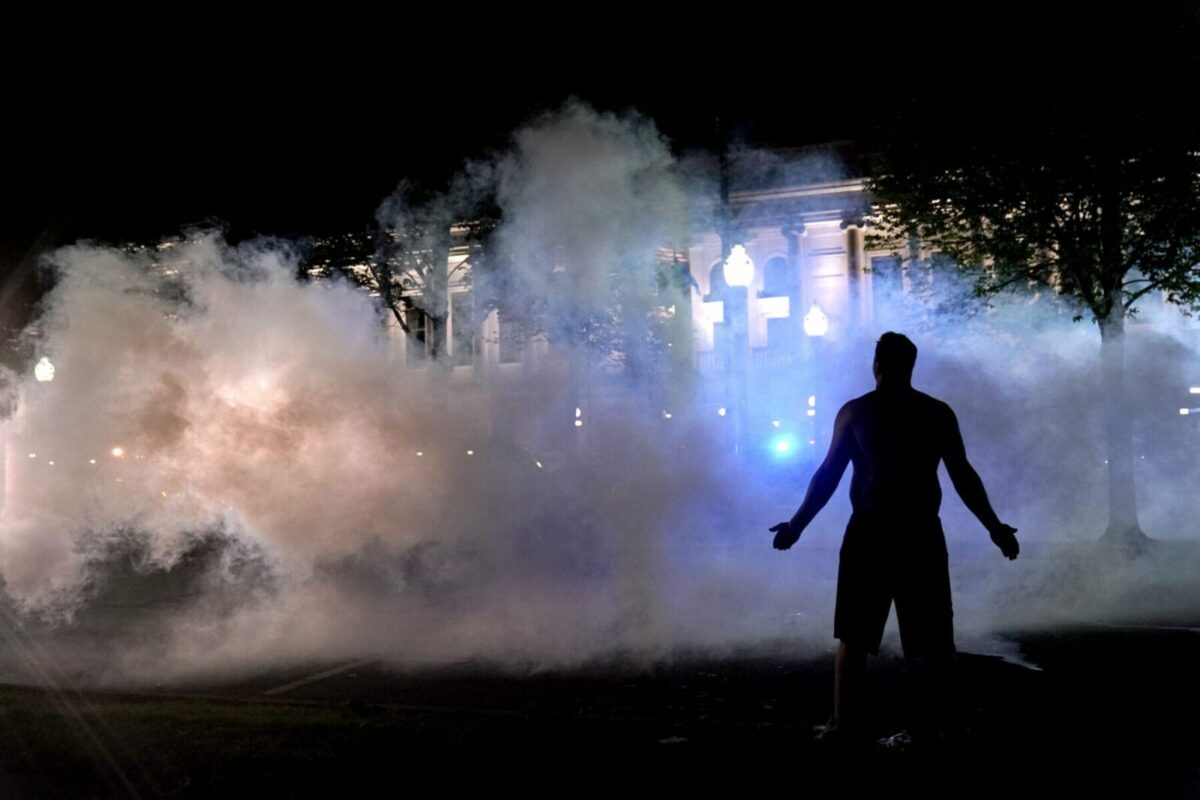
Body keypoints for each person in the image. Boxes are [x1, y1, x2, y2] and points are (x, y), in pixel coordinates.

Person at [769, 332, 1018, 743]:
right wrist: (994, 527)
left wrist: (797, 525)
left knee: (854, 635)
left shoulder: (856, 413)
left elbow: (828, 475)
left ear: (877, 365)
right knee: (936, 640)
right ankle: (950, 724)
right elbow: (963, 476)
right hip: (920, 532)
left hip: (870, 533)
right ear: (910, 366)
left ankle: (843, 723)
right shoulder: (935, 413)